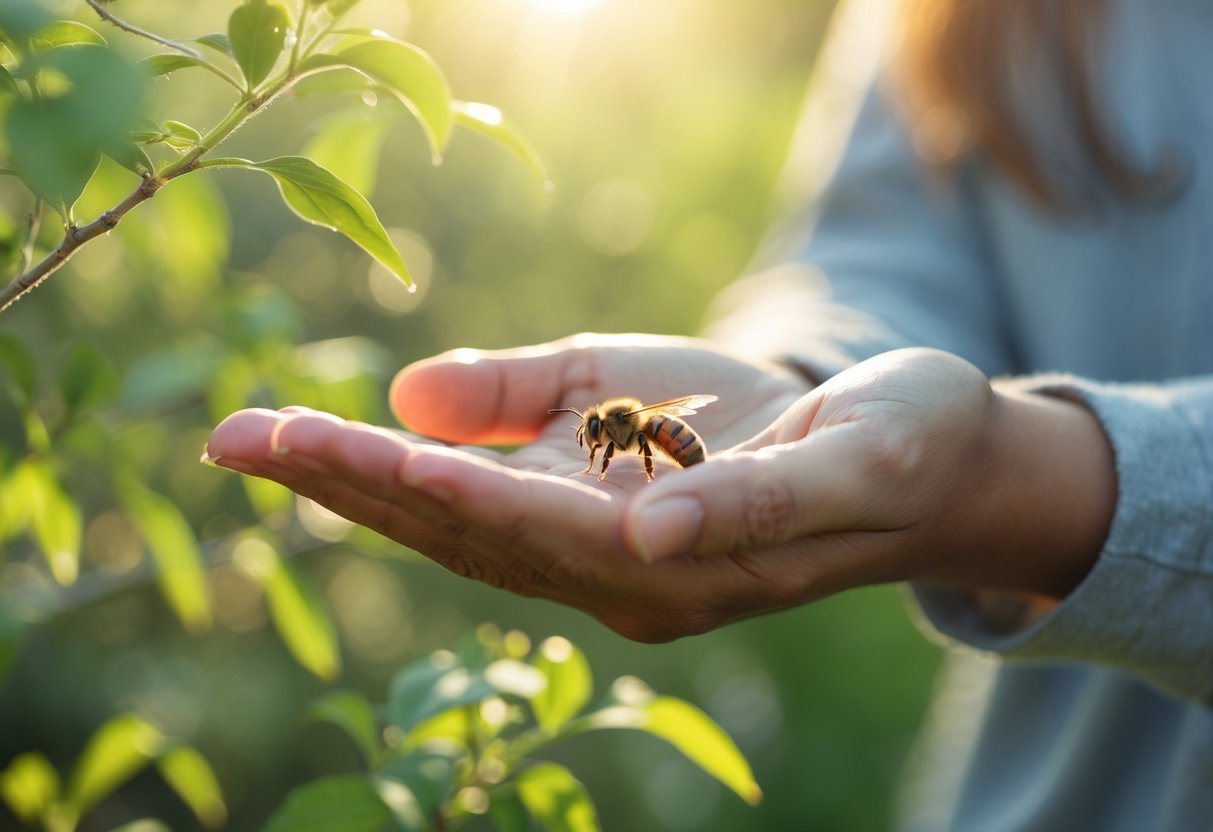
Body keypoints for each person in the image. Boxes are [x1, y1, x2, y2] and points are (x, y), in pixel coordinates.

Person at [205, 0, 1213, 827]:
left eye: (607, 436)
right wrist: (797, 374)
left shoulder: (644, 438)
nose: (606, 441)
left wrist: (1042, 483)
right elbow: (872, 252)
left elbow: (656, 440)